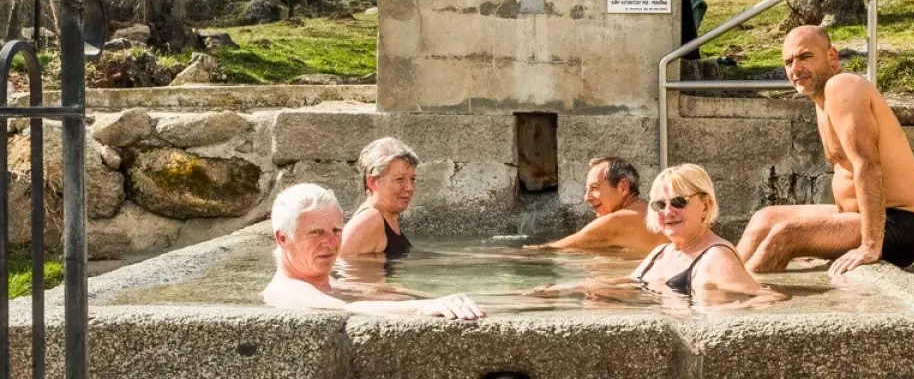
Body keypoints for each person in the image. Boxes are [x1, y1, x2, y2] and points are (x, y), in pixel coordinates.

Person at [735, 26, 914, 278]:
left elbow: (867, 165)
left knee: (787, 234)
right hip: (854, 217)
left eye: (805, 57)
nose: (795, 69)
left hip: (898, 224)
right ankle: (719, 280)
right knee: (766, 218)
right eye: (788, 62)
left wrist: (869, 246)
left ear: (831, 57)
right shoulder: (822, 99)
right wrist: (823, 232)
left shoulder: (842, 86)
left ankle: (742, 303)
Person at [528, 165, 770, 305]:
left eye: (678, 202)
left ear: (705, 206)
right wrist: (568, 288)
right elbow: (633, 281)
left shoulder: (715, 258)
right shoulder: (662, 252)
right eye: (659, 205)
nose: (668, 212)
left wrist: (717, 323)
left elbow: (767, 299)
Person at [260, 183, 484, 319]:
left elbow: (385, 294)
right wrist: (426, 307)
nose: (330, 242)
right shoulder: (289, 290)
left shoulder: (327, 284)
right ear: (282, 238)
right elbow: (348, 310)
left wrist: (502, 299)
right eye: (316, 232)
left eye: (337, 230)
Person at [534, 157, 665, 254]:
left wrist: (519, 252)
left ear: (623, 187)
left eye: (594, 188)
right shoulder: (645, 211)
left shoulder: (618, 220)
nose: (587, 198)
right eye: (587, 190)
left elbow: (551, 250)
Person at [341, 137, 418, 258]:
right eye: (399, 179)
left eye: (412, 179)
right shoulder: (370, 220)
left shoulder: (388, 215)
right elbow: (341, 265)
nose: (410, 188)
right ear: (372, 182)